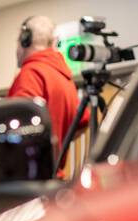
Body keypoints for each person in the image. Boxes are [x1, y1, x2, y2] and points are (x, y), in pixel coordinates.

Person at [9, 15, 83, 163]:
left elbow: (18, 128)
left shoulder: (31, 73)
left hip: (30, 176)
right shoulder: (65, 77)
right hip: (53, 176)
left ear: (25, 40)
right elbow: (81, 123)